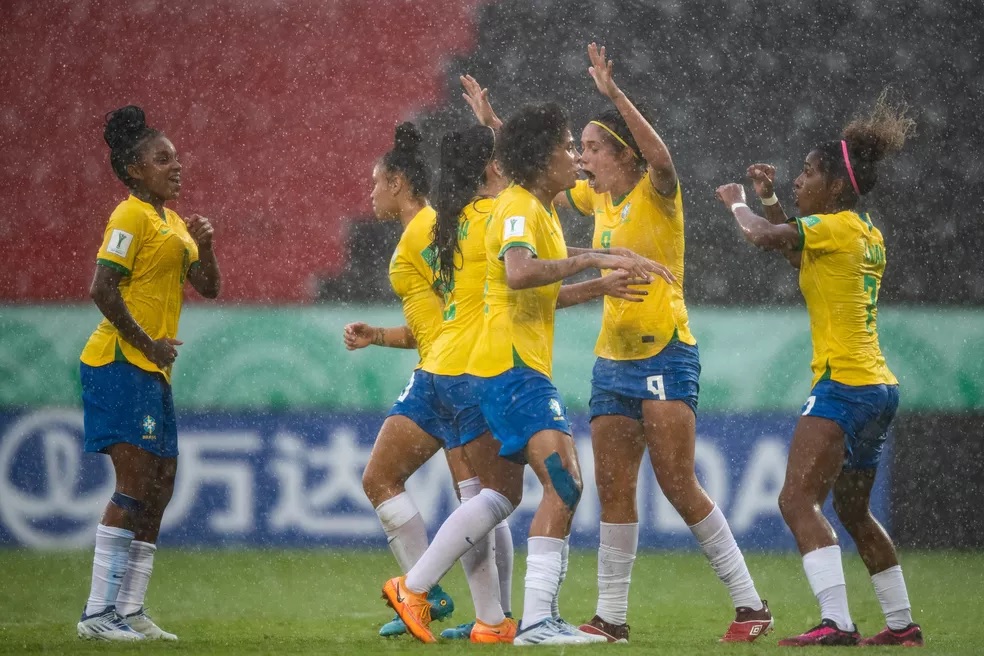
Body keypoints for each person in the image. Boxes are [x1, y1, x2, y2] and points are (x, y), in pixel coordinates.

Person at [382, 100, 674, 646]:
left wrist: (599, 279)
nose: (573, 157)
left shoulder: (531, 206)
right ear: (542, 159)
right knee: (564, 482)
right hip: (512, 368)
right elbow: (520, 273)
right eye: (567, 146)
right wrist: (594, 259)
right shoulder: (518, 207)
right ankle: (537, 622)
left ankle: (426, 591)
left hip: (501, 365)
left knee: (499, 495)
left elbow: (541, 287)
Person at [552, 44, 772, 643]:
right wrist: (502, 130)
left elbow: (665, 157)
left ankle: (751, 605)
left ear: (623, 155)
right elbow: (543, 178)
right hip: (611, 359)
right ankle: (612, 619)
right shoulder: (595, 196)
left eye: (593, 149)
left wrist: (614, 97)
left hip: (664, 353)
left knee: (677, 483)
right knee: (615, 492)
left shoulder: (656, 191)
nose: (582, 159)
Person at [715, 90, 920, 647]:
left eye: (807, 173)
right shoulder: (864, 232)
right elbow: (796, 253)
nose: (799, 180)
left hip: (844, 384)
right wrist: (772, 198)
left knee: (794, 500)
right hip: (879, 386)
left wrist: (738, 202)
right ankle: (901, 626)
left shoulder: (833, 228)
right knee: (854, 511)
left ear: (835, 187)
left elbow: (761, 237)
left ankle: (838, 622)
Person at [345, 121, 512, 642]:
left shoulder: (425, 230)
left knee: (399, 482)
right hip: (445, 366)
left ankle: (427, 590)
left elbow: (454, 309)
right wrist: (379, 335)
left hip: (450, 373)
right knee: (478, 498)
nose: (370, 193)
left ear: (397, 181)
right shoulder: (428, 228)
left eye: (375, 182)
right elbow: (432, 321)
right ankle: (488, 618)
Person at [76, 105, 221, 641]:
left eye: (177, 159)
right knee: (135, 485)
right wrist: (148, 343)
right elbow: (101, 288)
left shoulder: (175, 222)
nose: (176, 167)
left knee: (159, 490)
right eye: (163, 160)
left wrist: (206, 246)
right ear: (134, 170)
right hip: (118, 362)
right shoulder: (129, 216)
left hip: (151, 370)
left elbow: (208, 287)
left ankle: (130, 609)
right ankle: (97, 613)